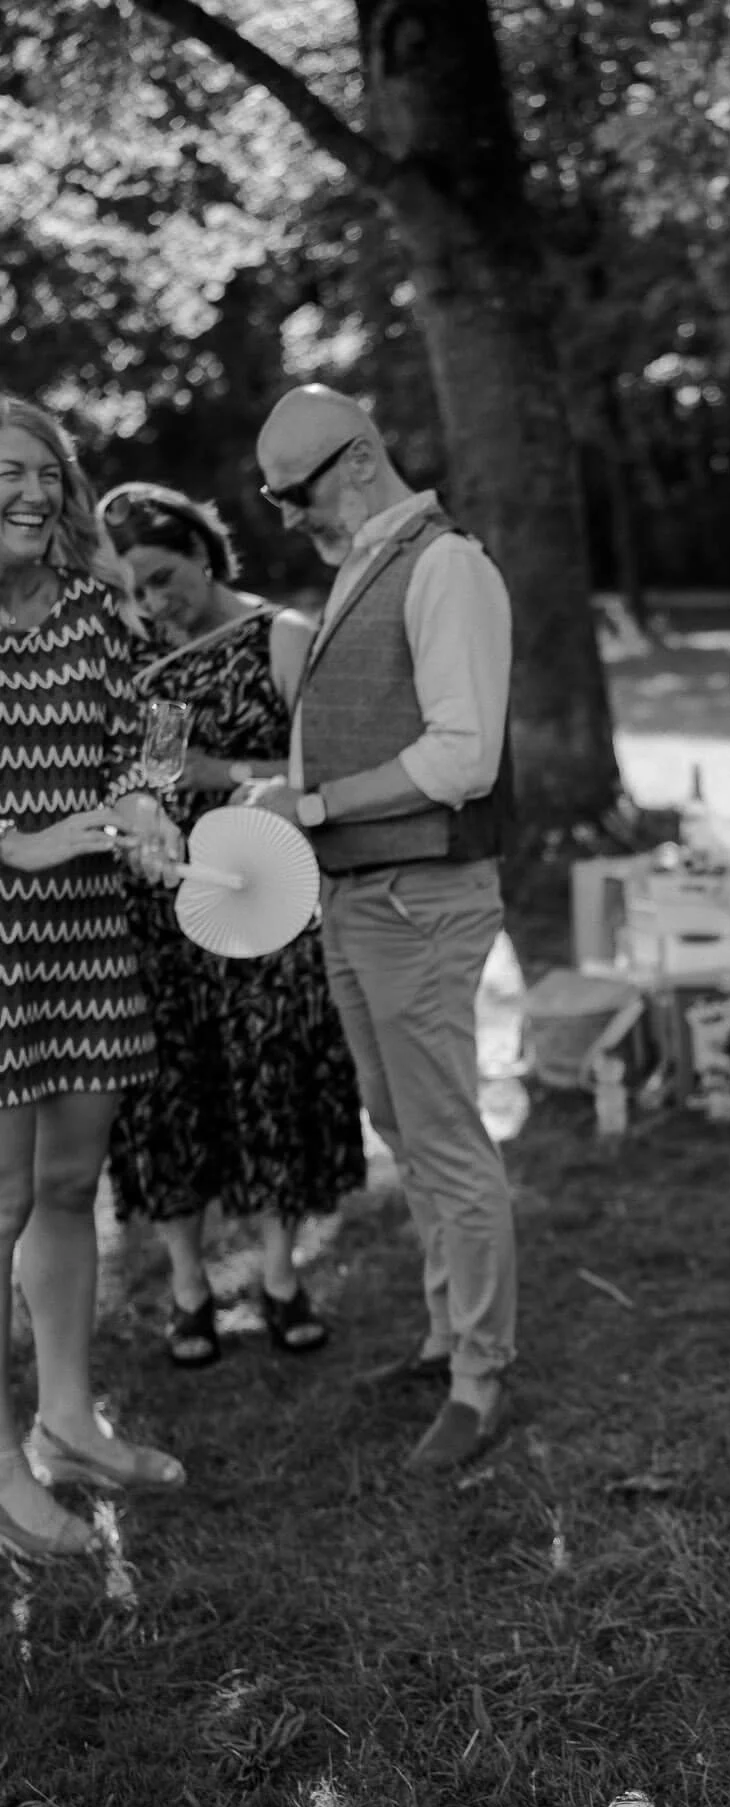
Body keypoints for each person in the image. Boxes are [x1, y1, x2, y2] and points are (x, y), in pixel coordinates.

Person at [251, 385, 516, 1471]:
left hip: (423, 897)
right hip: (360, 896)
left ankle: (480, 1376)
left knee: (447, 1140)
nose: (285, 517)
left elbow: (465, 759)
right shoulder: (363, 558)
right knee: (404, 1131)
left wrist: (313, 807)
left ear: (358, 460)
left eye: (293, 493)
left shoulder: (448, 565)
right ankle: (445, 1329)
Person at [97, 484, 367, 1368]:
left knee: (270, 1075)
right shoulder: (154, 658)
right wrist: (149, 799)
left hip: (266, 896)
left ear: (205, 555)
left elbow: (324, 765)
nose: (152, 604)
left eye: (164, 579)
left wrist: (224, 769)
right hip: (167, 905)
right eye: (134, 592)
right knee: (173, 1091)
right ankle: (187, 1288)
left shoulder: (280, 638)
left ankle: (282, 1275)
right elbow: (161, 772)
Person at [0, 397, 185, 1560]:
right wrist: (10, 841)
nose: (28, 494)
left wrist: (147, 811)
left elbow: (139, 750)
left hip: (85, 932)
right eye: (5, 476)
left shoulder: (92, 613)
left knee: (71, 1189)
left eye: (42, 475)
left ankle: (69, 1419)